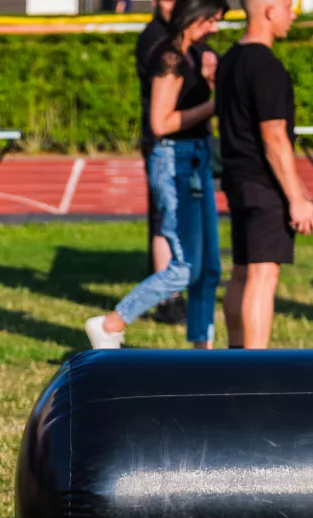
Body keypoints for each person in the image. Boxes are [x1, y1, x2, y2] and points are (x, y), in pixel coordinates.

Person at [87, 0, 226, 350]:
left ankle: (203, 351)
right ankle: (110, 323)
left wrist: (211, 82)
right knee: (185, 266)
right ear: (194, 15)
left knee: (208, 266)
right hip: (175, 161)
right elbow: (161, 123)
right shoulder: (170, 57)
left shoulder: (193, 53)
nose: (215, 28)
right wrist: (214, 105)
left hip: (195, 158)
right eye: (211, 20)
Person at [215, 0, 313, 350]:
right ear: (270, 10)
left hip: (238, 179)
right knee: (263, 274)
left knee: (243, 270)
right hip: (263, 183)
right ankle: (254, 367)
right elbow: (274, 135)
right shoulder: (266, 66)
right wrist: (295, 199)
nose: (293, 14)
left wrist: (299, 191)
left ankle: (234, 358)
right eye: (289, 6)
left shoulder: (229, 60)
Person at [136, 0, 186, 325]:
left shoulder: (170, 37)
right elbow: (160, 120)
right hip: (163, 144)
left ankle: (169, 292)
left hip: (174, 143)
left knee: (171, 220)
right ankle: (167, 299)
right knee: (164, 221)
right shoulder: (158, 41)